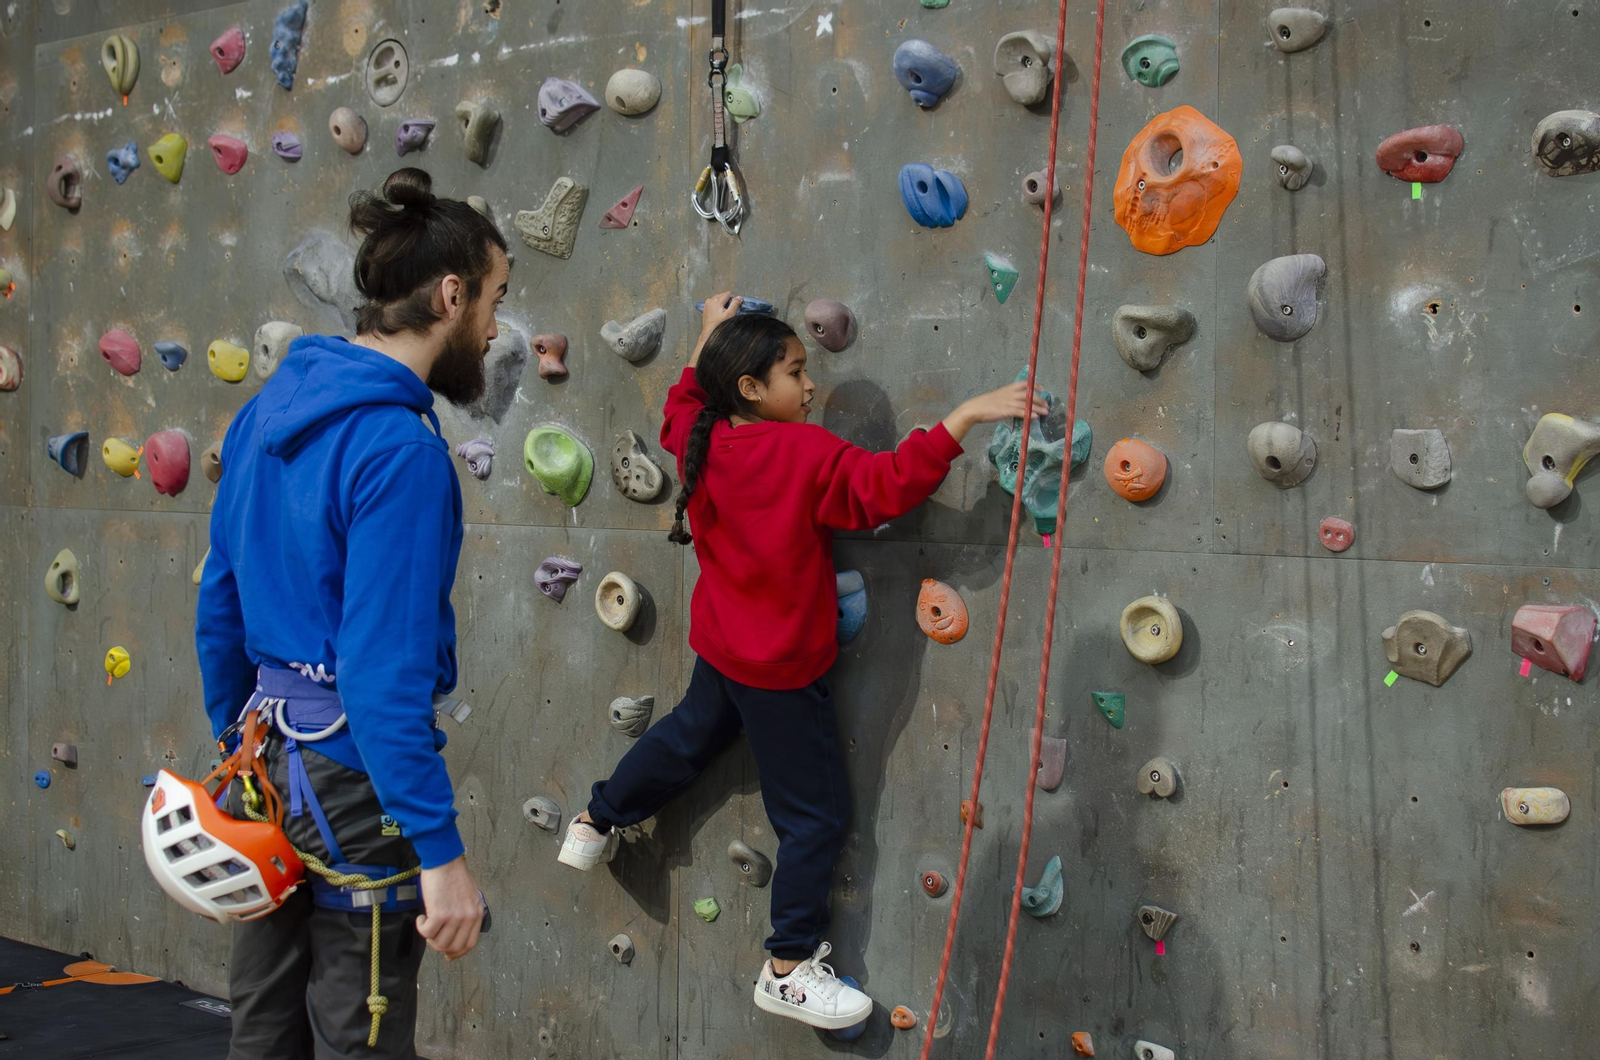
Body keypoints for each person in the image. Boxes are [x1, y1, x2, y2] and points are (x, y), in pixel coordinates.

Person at [557, 293, 1046, 1029]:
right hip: (780, 672)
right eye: (794, 372)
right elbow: (886, 487)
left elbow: (679, 404)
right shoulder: (803, 454)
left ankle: (595, 821)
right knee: (814, 819)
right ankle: (786, 969)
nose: (810, 384)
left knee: (687, 737)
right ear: (751, 388)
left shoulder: (703, 437)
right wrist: (965, 416)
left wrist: (707, 334)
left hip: (725, 647)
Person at [194, 168, 508, 1059]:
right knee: (356, 1033)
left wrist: (236, 744)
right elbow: (379, 674)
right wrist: (441, 856)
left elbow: (220, 603)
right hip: (352, 775)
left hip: (263, 755)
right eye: (494, 301)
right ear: (451, 296)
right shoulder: (400, 451)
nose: (494, 330)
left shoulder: (263, 415)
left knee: (262, 1024)